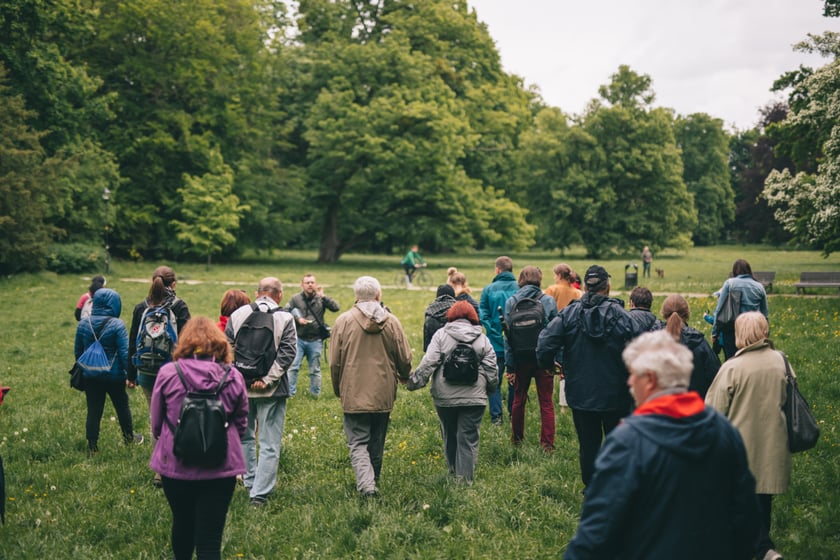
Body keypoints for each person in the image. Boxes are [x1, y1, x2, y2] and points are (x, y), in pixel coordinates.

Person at [564, 330, 759, 559]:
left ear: (650, 379)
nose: (628, 381)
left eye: (632, 374)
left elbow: (595, 536)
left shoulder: (627, 443)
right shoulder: (724, 432)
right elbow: (747, 520)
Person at [150, 317, 249, 560]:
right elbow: (242, 422)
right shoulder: (233, 376)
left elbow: (156, 422)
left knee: (182, 523)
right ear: (221, 344)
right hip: (221, 465)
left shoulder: (168, 373)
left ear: (184, 343)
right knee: (210, 539)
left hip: (175, 464)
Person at [536, 265, 634, 487]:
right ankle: (614, 487)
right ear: (607, 287)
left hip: (581, 392)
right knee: (617, 442)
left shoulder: (569, 314)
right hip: (615, 391)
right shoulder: (621, 316)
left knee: (588, 444)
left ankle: (591, 489)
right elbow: (641, 344)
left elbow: (544, 344)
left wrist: (550, 365)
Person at [706, 312, 791, 560]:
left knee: (736, 501)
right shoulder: (781, 361)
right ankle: (763, 546)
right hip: (773, 442)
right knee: (763, 498)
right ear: (764, 331)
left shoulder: (732, 367)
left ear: (739, 334)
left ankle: (752, 547)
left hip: (739, 447)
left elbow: (713, 411)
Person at [330, 276, 412, 497]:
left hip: (354, 389)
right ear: (378, 295)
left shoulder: (343, 321)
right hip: (383, 391)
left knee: (357, 442)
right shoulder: (392, 322)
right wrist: (405, 375)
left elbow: (334, 361)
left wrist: (339, 387)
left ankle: (367, 486)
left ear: (356, 296)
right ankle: (372, 480)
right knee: (377, 440)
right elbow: (404, 356)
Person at [407, 301, 498, 482]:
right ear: (473, 317)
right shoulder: (482, 338)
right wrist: (490, 389)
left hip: (445, 397)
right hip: (474, 398)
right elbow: (492, 369)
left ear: (451, 316)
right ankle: (464, 481)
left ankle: (453, 470)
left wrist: (414, 382)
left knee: (449, 433)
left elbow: (429, 362)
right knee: (469, 438)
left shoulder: (441, 335)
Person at [225, 277, 297, 506]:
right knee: (269, 442)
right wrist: (266, 380)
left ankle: (250, 481)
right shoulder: (285, 317)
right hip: (271, 391)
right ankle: (260, 493)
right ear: (280, 294)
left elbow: (227, 351)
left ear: (257, 293)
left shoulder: (238, 314)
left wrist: (239, 378)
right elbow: (287, 354)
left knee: (245, 437)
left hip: (240, 388)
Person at [128, 266, 191, 487]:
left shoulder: (140, 307)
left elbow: (132, 341)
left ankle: (159, 472)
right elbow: (187, 342)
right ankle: (175, 464)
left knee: (156, 418)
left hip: (145, 372)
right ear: (173, 284)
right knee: (174, 417)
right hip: (173, 372)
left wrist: (131, 374)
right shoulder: (179, 306)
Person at [74, 288, 144, 455]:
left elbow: (78, 351)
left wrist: (85, 368)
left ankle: (92, 446)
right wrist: (132, 375)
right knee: (122, 405)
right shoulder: (117, 324)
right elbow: (124, 353)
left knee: (94, 409)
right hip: (114, 376)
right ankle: (129, 438)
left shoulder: (84, 323)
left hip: (91, 375)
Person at [504, 266, 558, 451]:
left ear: (521, 280)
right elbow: (554, 333)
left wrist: (509, 367)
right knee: (546, 402)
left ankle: (517, 440)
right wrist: (555, 359)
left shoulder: (511, 301)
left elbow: (508, 337)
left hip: (521, 359)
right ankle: (547, 444)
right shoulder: (548, 301)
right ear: (539, 280)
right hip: (543, 359)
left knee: (519, 399)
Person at [478, 256, 519, 425]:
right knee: (514, 380)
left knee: (493, 380)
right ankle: (512, 413)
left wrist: (494, 331)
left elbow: (483, 314)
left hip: (494, 343)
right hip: (516, 343)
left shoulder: (488, 289)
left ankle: (496, 417)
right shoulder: (520, 288)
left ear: (497, 270)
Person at [285, 274, 340, 398]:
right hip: (298, 338)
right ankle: (289, 393)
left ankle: (315, 394)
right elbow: (286, 311)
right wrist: (297, 318)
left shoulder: (320, 298)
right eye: (307, 282)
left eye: (312, 282)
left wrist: (324, 297)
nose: (310, 285)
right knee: (293, 367)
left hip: (315, 339)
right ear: (302, 285)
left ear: (316, 284)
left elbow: (336, 308)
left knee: (315, 370)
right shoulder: (295, 299)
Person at [659, 294, 721, 398]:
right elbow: (716, 375)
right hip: (693, 405)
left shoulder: (652, 342)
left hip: (660, 407)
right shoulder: (698, 342)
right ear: (687, 313)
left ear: (664, 313)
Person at [712, 259, 769, 360]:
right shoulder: (759, 286)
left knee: (731, 360)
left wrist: (715, 333)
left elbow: (719, 310)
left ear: (734, 271)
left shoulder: (730, 284)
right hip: (753, 330)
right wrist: (766, 333)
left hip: (732, 328)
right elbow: (765, 314)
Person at [543, 264, 581, 410]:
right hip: (572, 334)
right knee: (566, 369)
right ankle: (565, 403)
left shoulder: (552, 290)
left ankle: (553, 400)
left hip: (556, 332)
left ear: (558, 275)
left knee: (552, 367)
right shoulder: (578, 293)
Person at [423, 284, 456, 351]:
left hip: (435, 355)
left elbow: (427, 347)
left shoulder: (430, 314)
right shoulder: (459, 312)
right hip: (455, 356)